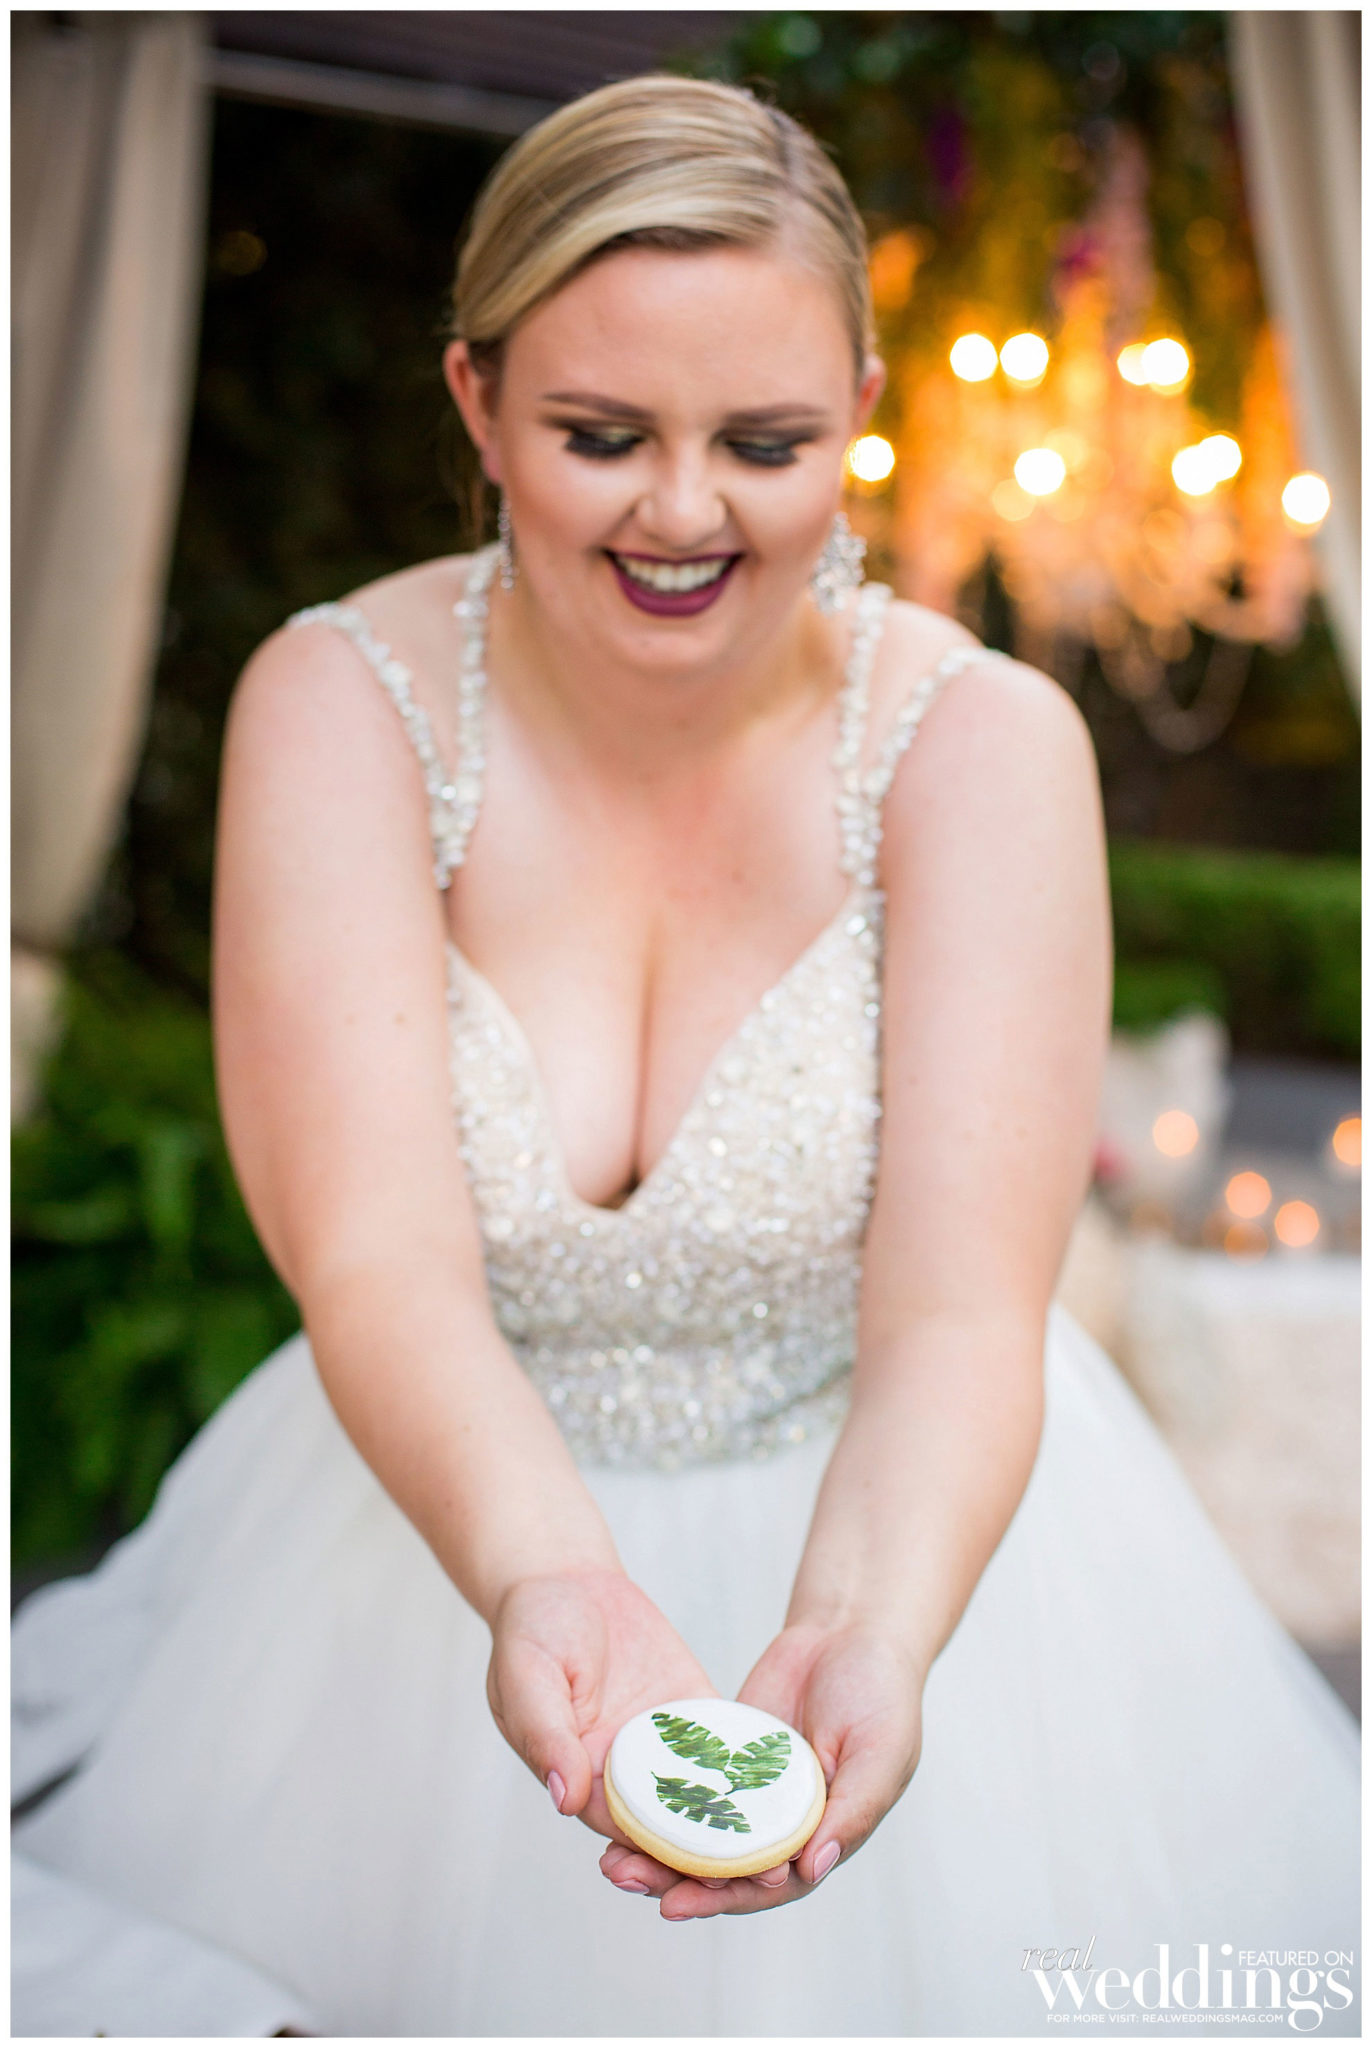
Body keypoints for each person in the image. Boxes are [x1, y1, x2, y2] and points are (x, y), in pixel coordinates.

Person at [12, 74, 1359, 2040]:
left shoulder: (979, 751)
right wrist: (549, 1582)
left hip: (908, 1533)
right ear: (475, 401)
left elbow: (958, 1316)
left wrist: (869, 1629)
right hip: (426, 1550)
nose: (682, 509)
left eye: (764, 441)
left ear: (859, 415)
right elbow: (375, 1260)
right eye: (599, 434)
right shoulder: (339, 705)